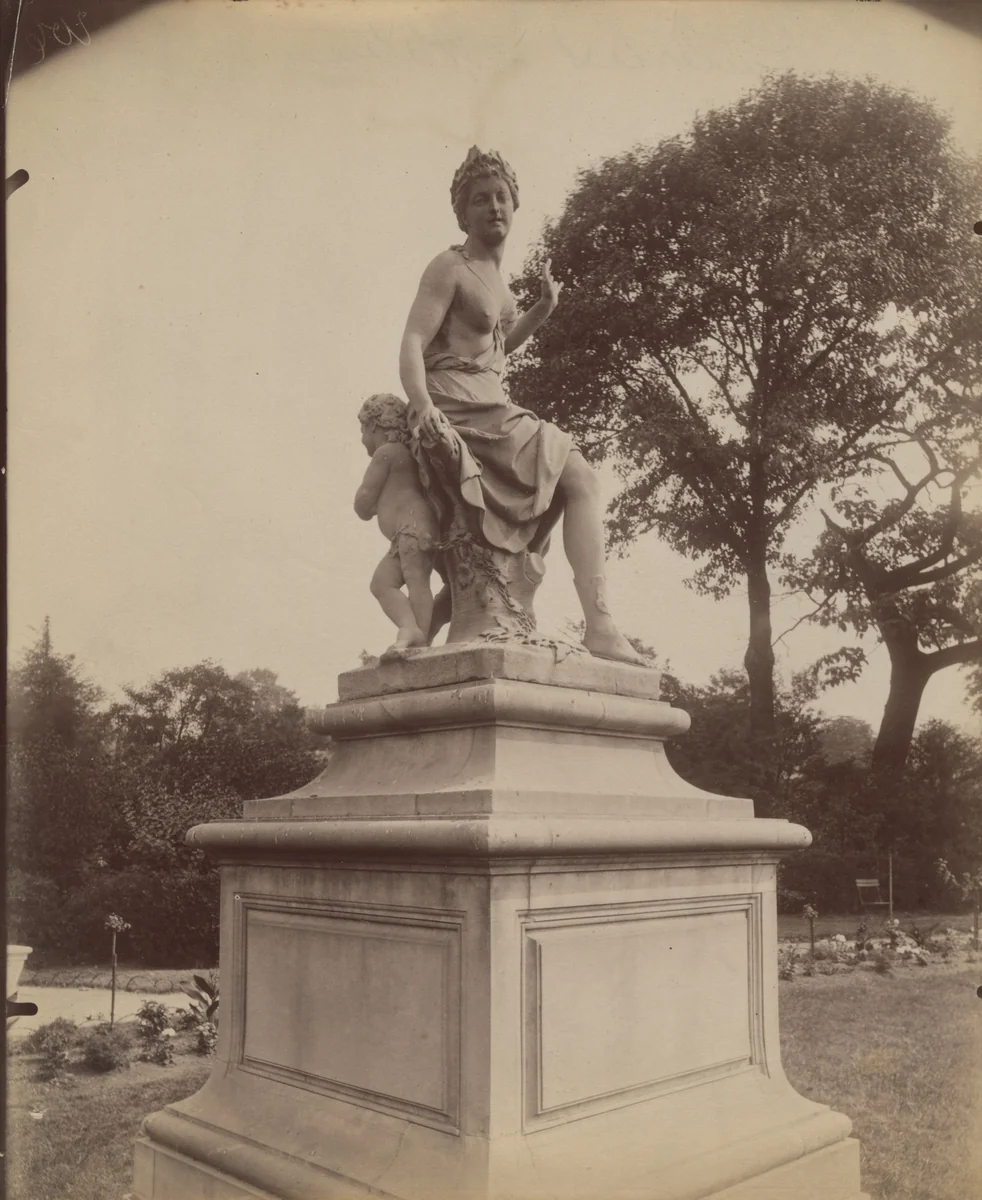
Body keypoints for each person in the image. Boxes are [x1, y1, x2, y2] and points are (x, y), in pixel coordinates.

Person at [398, 146, 645, 665]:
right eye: (481, 199)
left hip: (490, 403)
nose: (494, 207)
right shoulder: (450, 266)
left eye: (502, 197)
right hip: (458, 406)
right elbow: (412, 342)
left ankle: (592, 623)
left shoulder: (500, 283)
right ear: (462, 212)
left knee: (575, 481)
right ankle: (598, 625)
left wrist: (542, 309)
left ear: (515, 205)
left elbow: (498, 348)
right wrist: (421, 405)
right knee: (578, 475)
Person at [354, 393, 441, 657]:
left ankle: (420, 641)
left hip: (413, 528)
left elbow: (364, 498)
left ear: (373, 425)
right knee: (381, 584)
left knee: (417, 582)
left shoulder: (386, 453)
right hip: (408, 533)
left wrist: (367, 507)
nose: (361, 438)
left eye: (362, 430)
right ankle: (411, 628)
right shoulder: (406, 454)